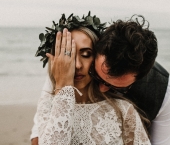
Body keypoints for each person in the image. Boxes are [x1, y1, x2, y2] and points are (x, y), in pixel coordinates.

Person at [31, 13, 151, 145]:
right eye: (67, 55)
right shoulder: (49, 105)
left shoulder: (122, 110)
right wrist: (63, 88)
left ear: (97, 58)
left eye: (86, 54)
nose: (77, 65)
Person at [94, 15, 170, 145]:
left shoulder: (163, 92)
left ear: (142, 76)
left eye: (117, 87)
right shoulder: (73, 68)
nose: (102, 88)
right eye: (95, 75)